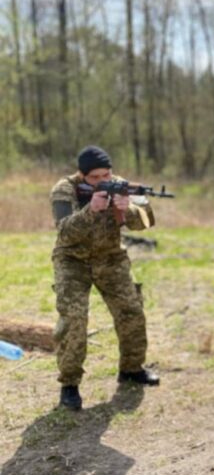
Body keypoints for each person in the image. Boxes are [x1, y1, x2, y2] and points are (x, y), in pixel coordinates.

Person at [50, 145, 160, 411]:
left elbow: (147, 221)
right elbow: (64, 232)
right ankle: (69, 385)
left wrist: (128, 209)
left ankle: (132, 369)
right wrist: (91, 210)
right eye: (95, 177)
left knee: (131, 310)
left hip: (111, 258)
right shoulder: (64, 190)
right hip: (72, 260)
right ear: (82, 175)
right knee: (74, 319)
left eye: (106, 175)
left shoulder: (122, 186)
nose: (102, 180)